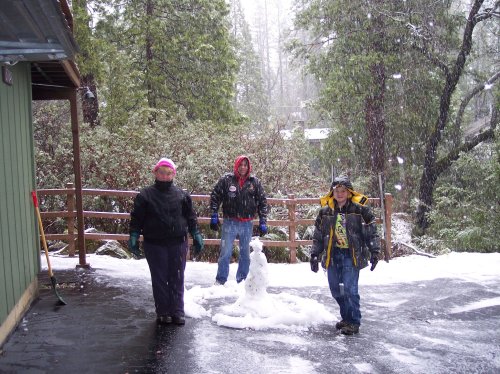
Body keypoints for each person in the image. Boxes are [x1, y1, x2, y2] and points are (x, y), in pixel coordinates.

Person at [128, 158, 204, 325]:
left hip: (178, 242)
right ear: (155, 173)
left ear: (173, 175)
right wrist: (133, 235)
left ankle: (177, 311)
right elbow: (137, 219)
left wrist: (196, 234)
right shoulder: (145, 195)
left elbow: (191, 217)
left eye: (168, 173)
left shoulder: (182, 195)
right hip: (154, 243)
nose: (165, 176)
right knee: (159, 277)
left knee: (177, 276)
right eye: (162, 172)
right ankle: (163, 311)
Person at [310, 176, 380, 335]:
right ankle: (346, 317)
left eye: (343, 191)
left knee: (349, 289)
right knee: (336, 290)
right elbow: (318, 236)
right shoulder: (325, 212)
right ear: (332, 193)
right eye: (337, 191)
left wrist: (375, 251)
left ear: (349, 193)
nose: (340, 194)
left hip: (351, 254)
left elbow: (371, 232)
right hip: (332, 254)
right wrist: (314, 254)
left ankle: (354, 321)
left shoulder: (360, 210)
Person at [210, 155, 268, 285]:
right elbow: (215, 196)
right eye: (241, 165)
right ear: (236, 166)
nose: (243, 167)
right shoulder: (227, 180)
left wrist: (263, 220)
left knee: (245, 254)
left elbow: (262, 202)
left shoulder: (254, 183)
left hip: (247, 223)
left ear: (248, 167)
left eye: (245, 165)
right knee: (225, 252)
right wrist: (214, 214)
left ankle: (242, 280)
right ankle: (221, 280)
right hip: (229, 221)